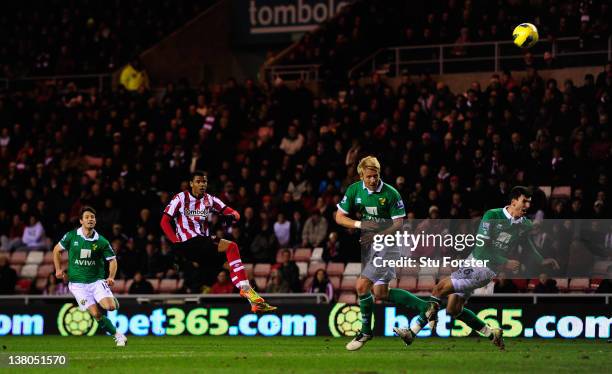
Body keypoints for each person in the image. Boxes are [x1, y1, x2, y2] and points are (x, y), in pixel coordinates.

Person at [395, 186, 560, 350]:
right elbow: (481, 248)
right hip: (474, 261)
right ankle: (492, 333)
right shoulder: (493, 216)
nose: (527, 206)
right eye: (524, 201)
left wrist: (541, 260)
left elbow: (527, 244)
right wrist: (505, 261)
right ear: (513, 201)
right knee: (453, 309)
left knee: (438, 289)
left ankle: (412, 332)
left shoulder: (525, 224)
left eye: (529, 203)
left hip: (483, 270)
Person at [335, 156, 436, 351]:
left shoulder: (391, 194)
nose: (373, 180)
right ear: (361, 175)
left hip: (389, 244)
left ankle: (365, 331)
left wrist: (377, 235)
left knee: (362, 286)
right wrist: (360, 225)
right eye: (369, 177)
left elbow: (399, 223)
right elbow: (339, 217)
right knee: (380, 292)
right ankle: (426, 307)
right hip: (373, 246)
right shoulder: (354, 190)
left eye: (376, 176)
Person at [160, 170, 275, 312]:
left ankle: (254, 301)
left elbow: (234, 213)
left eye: (204, 181)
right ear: (191, 184)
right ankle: (246, 290)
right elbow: (164, 222)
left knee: (231, 266)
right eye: (198, 181)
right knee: (232, 247)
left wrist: (232, 216)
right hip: (188, 243)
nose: (202, 184)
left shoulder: (210, 199)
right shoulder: (180, 198)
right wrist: (175, 242)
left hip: (201, 247)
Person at [52, 206, 127, 346]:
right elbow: (56, 250)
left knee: (110, 307)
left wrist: (111, 277)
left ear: (95, 221)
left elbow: (112, 260)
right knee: (96, 314)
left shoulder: (101, 241)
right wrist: (58, 269)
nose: (90, 219)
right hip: (77, 285)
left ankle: (112, 300)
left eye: (92, 217)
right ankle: (118, 335)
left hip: (96, 281)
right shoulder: (71, 236)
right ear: (81, 221)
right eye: (87, 217)